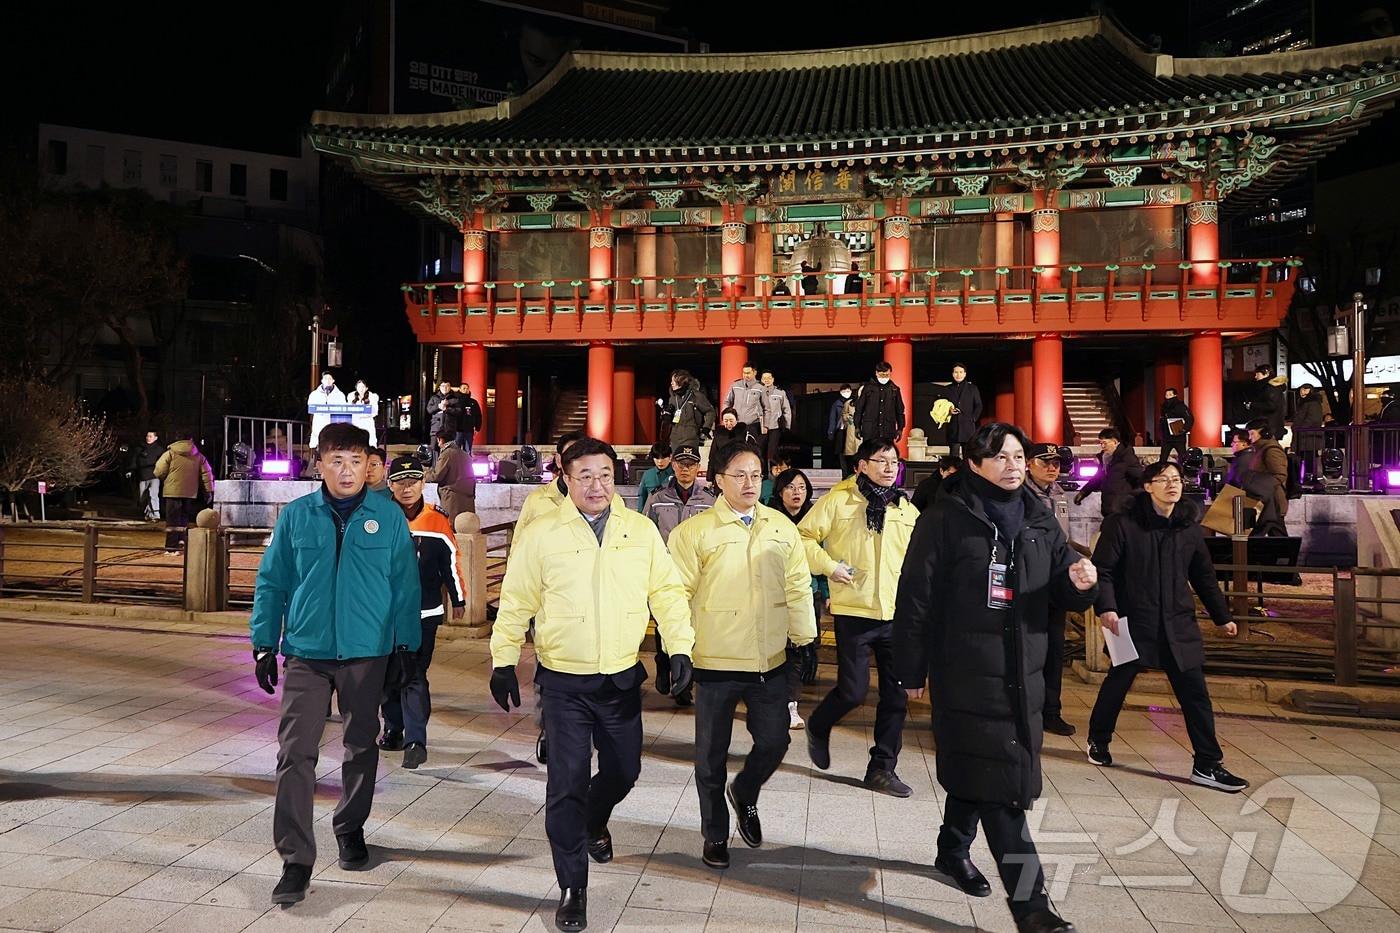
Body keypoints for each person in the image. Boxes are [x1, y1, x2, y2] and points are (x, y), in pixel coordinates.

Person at [894, 422, 1098, 933]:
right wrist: (910, 667)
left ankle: (951, 850)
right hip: (965, 669)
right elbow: (915, 596)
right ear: (974, 463)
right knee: (1003, 789)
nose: (1012, 465)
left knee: (982, 773)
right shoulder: (944, 519)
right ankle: (1032, 909)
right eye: (1000, 457)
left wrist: (1081, 585)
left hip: (1024, 671)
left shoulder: (1039, 517)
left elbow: (1059, 581)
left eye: (1017, 456)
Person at [490, 437, 695, 932]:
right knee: (566, 783)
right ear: (565, 477)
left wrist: (681, 645)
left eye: (604, 474)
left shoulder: (640, 530)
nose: (596, 485)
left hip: (622, 676)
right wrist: (502, 660)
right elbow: (516, 599)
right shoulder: (542, 532)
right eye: (584, 475)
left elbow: (667, 591)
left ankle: (594, 819)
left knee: (624, 770)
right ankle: (572, 886)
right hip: (563, 681)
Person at [248, 422, 421, 907]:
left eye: (356, 462)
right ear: (318, 463)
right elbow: (272, 581)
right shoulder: (297, 516)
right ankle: (296, 859)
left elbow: (405, 586)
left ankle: (350, 826)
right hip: (307, 651)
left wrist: (406, 647)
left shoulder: (387, 517)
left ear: (370, 466)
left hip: (368, 653)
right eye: (337, 461)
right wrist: (264, 643)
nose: (347, 472)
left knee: (360, 745)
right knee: (294, 753)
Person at [669, 442, 817, 870]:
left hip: (768, 660)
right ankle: (715, 834)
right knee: (710, 758)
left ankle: (746, 791)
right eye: (740, 474)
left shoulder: (779, 527)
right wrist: (677, 649)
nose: (751, 482)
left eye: (756, 474)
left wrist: (804, 639)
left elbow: (797, 585)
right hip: (714, 662)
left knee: (775, 741)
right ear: (717, 479)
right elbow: (675, 594)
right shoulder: (694, 533)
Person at [1087, 460, 1249, 794]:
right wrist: (1107, 608)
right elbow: (1102, 569)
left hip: (1178, 623)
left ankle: (1207, 763)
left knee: (1196, 694)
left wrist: (1223, 616)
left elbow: (1203, 575)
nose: (1172, 485)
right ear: (1148, 486)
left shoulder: (1188, 527)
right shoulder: (1123, 524)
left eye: (1176, 479)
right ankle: (1098, 739)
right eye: (1163, 480)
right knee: (1118, 682)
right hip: (1132, 620)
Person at [800, 437, 919, 797]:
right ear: (861, 465)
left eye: (894, 462)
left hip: (897, 615)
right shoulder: (838, 501)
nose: (888, 467)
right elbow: (801, 537)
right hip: (854, 610)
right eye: (880, 460)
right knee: (852, 691)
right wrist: (829, 566)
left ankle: (882, 768)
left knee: (896, 696)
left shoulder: (905, 508)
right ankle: (819, 724)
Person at [379, 455, 465, 770]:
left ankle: (416, 739)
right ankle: (393, 726)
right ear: (390, 485)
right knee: (388, 674)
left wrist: (458, 597)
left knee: (415, 673)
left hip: (424, 612)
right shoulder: (378, 517)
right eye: (400, 482)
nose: (407, 488)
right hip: (384, 614)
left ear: (423, 484)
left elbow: (451, 561)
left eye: (413, 481)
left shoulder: (436, 520)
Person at [513, 430, 587, 765]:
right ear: (558, 460)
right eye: (567, 454)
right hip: (547, 603)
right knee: (548, 667)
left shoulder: (601, 499)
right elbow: (518, 553)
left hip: (589, 598)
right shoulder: (538, 501)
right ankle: (550, 728)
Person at [642, 444, 715, 706]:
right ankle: (663, 662)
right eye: (681, 463)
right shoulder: (658, 497)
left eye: (691, 464)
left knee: (692, 627)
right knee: (666, 623)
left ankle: (684, 683)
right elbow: (645, 532)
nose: (686, 469)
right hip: (666, 573)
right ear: (673, 465)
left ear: (698, 467)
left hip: (696, 576)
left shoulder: (709, 500)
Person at [1024, 443, 1089, 738]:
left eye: (1057, 463)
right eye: (1045, 461)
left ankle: (1052, 710)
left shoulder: (1060, 494)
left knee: (1054, 648)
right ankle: (1026, 710)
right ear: (1028, 463)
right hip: (1028, 584)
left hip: (1056, 581)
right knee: (1027, 650)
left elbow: (1067, 540)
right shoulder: (1020, 495)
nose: (1053, 467)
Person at [773, 466, 827, 729]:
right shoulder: (769, 518)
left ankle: (792, 702)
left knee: (803, 645)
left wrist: (827, 593)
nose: (797, 493)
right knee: (779, 647)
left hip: (809, 590)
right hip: (774, 591)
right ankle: (782, 701)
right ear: (780, 491)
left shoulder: (815, 520)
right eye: (791, 487)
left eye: (802, 488)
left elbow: (824, 556)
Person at [153, 437, 214, 552]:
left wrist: (166, 480)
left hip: (172, 491)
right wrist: (208, 491)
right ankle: (182, 540)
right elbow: (207, 474)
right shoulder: (199, 456)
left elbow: (158, 471)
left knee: (172, 519)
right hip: (190, 492)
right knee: (184, 517)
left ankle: (171, 546)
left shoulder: (169, 454)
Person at [1073, 428, 1142, 516]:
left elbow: (1140, 478)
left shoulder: (1127, 458)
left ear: (1115, 442)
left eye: (1105, 443)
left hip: (1124, 510)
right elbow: (1097, 478)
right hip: (1108, 508)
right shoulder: (1105, 459)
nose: (1102, 446)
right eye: (1101, 443)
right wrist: (1084, 492)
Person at [1244, 418, 1290, 536]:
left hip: (1272, 502)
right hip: (1265, 501)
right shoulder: (1260, 449)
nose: (1250, 438)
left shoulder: (1271, 450)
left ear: (1264, 433)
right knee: (1276, 534)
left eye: (1252, 433)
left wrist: (1259, 487)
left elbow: (1280, 474)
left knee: (1270, 533)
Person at [423, 431, 476, 524]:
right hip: (467, 499)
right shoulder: (465, 455)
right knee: (465, 528)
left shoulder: (447, 454)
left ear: (440, 440)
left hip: (452, 498)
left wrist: (424, 475)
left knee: (449, 527)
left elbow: (437, 475)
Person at [664, 369, 715, 452]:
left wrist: (706, 428)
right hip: (675, 437)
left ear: (681, 381)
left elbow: (710, 411)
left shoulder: (696, 396)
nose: (671, 383)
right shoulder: (673, 398)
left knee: (688, 462)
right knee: (676, 463)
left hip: (691, 436)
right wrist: (667, 416)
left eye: (674, 381)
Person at [939, 364, 983, 460]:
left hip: (968, 427)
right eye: (956, 372)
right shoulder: (947, 389)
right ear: (952, 374)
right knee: (953, 457)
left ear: (965, 374)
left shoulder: (972, 388)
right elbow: (941, 404)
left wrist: (973, 418)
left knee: (968, 457)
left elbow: (979, 405)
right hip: (953, 426)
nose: (958, 375)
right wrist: (949, 410)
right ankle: (954, 475)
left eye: (961, 372)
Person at [855, 361, 905, 444]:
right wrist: (857, 426)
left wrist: (900, 428)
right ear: (876, 373)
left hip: (888, 430)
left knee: (886, 455)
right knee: (869, 454)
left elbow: (900, 411)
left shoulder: (894, 389)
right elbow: (859, 409)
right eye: (882, 375)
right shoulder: (868, 388)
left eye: (887, 375)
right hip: (870, 430)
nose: (884, 377)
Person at [758, 369, 792, 467]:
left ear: (773, 379)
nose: (767, 380)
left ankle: (771, 474)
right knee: (760, 451)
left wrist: (787, 426)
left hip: (775, 427)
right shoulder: (757, 393)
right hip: (761, 427)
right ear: (761, 380)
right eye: (764, 378)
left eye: (769, 378)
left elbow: (787, 410)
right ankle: (762, 474)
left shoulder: (780, 393)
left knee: (772, 452)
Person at [724, 364, 766, 444]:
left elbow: (766, 408)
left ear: (755, 373)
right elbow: (727, 402)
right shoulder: (735, 385)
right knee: (736, 447)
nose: (746, 375)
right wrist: (727, 417)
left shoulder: (760, 387)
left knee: (751, 448)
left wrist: (765, 425)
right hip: (737, 423)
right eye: (744, 373)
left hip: (753, 424)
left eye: (748, 373)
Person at [307, 373, 347, 451]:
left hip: (333, 424)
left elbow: (343, 410)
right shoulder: (314, 394)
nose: (328, 381)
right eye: (325, 379)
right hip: (319, 424)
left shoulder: (340, 395)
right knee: (319, 449)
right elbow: (311, 408)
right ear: (322, 381)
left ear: (333, 381)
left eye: (330, 379)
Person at [1246, 364, 1287, 441]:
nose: (1255, 377)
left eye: (1257, 374)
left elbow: (1271, 406)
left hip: (1269, 427)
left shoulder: (1270, 387)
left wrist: (1253, 405)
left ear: (1266, 374)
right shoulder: (1273, 387)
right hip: (1272, 426)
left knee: (1268, 448)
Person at [129, 430, 163, 520]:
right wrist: (131, 470)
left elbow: (163, 463)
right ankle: (148, 512)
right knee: (143, 497)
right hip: (142, 476)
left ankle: (155, 514)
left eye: (150, 436)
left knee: (153, 495)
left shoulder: (159, 449)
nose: (148, 438)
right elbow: (134, 461)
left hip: (154, 476)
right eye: (147, 436)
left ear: (155, 438)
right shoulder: (140, 449)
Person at [1157, 387, 1194, 466]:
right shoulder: (1163, 407)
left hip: (1178, 437)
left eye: (1170, 394)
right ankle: (1160, 474)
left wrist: (1184, 429)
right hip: (1167, 438)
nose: (1168, 396)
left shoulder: (1181, 406)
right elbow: (1162, 422)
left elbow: (1190, 419)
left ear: (1175, 395)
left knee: (1183, 458)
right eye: (1166, 395)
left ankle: (1184, 474)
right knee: (1162, 459)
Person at [1293, 384, 1325, 473]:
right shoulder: (1307, 403)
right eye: (1301, 390)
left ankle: (1310, 478)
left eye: (1304, 390)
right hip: (1305, 436)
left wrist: (1301, 428)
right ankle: (1307, 477)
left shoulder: (1312, 403)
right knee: (1305, 459)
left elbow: (1313, 419)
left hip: (1308, 436)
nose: (1301, 392)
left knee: (1309, 460)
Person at [635, 443, 674, 513]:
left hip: (671, 513)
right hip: (651, 513)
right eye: (657, 458)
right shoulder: (648, 474)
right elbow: (642, 497)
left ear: (670, 457)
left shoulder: (676, 474)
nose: (660, 461)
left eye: (663, 458)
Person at [427, 380, 458, 463]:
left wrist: (447, 409)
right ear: (439, 387)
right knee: (435, 450)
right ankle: (435, 471)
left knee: (449, 451)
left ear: (450, 387)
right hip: (435, 429)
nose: (445, 388)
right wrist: (438, 406)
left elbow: (458, 411)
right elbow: (429, 410)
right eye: (443, 386)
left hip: (449, 430)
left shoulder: (455, 399)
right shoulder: (434, 398)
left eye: (447, 386)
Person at [347, 379, 379, 448]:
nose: (361, 389)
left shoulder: (372, 397)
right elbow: (349, 410)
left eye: (363, 387)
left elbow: (375, 411)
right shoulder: (351, 396)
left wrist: (363, 414)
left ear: (366, 388)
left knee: (370, 442)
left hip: (368, 423)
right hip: (356, 423)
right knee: (355, 442)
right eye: (359, 387)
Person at [827, 385, 853, 467]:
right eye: (844, 391)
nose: (846, 393)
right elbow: (832, 418)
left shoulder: (854, 403)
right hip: (841, 429)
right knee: (841, 451)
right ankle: (844, 471)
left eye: (848, 391)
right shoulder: (836, 404)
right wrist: (830, 432)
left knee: (851, 450)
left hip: (851, 430)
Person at [455, 381, 484, 453]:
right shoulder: (455, 401)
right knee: (456, 450)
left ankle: (467, 464)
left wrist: (477, 428)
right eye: (464, 388)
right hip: (458, 430)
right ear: (460, 389)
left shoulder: (473, 402)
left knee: (468, 451)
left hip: (469, 430)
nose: (466, 390)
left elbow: (478, 415)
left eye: (467, 388)